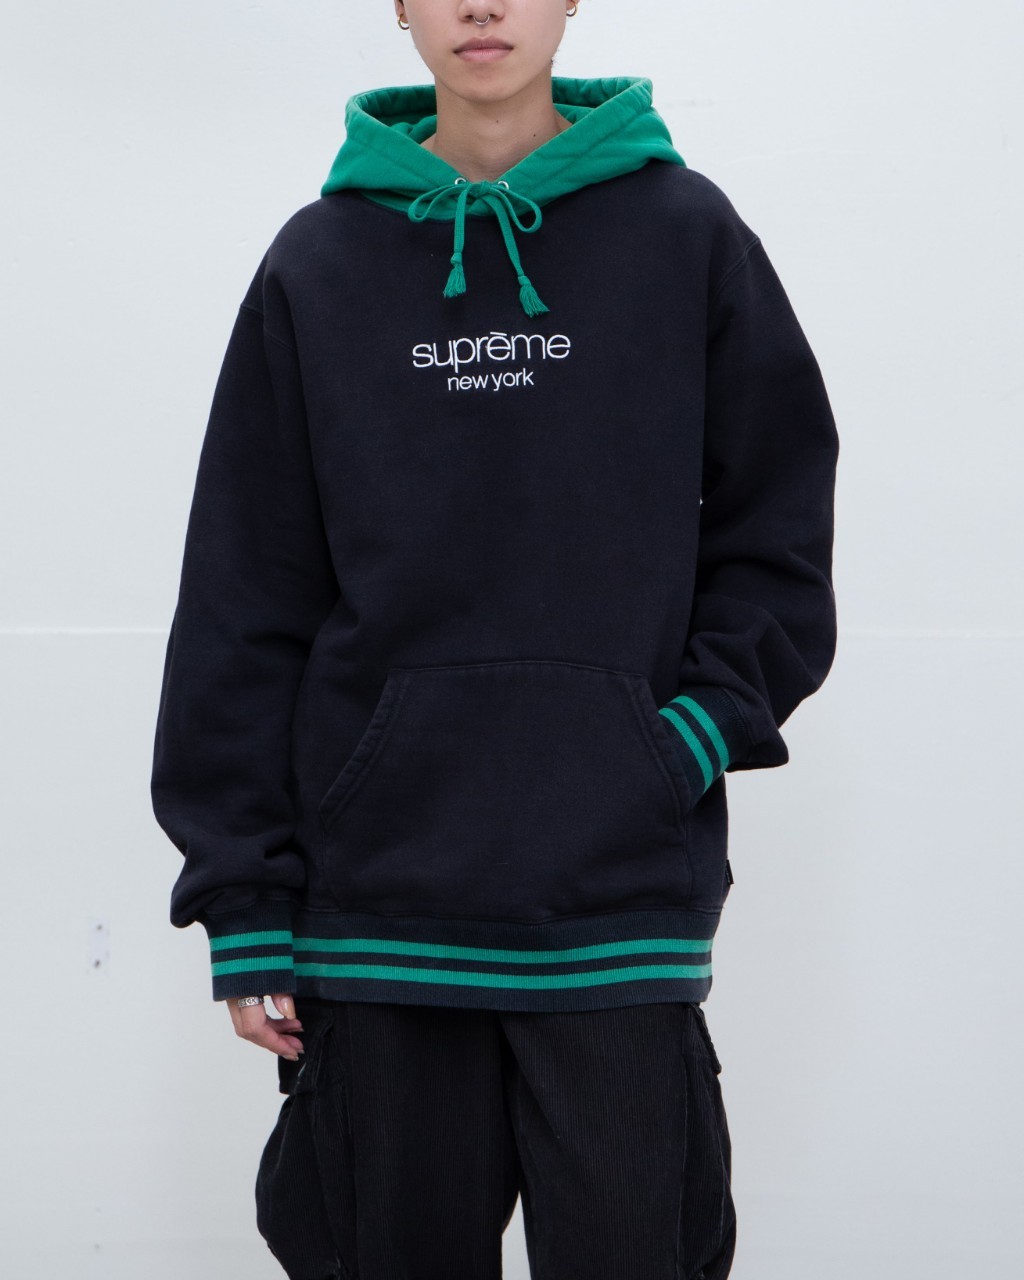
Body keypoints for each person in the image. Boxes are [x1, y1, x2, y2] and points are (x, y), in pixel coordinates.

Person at [151, 2, 838, 1277]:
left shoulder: (686, 235)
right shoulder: (317, 262)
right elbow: (244, 590)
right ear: (400, 5)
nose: (481, 6)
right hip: (380, 911)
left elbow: (779, 531)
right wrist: (241, 892)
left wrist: (679, 738)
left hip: (614, 903)